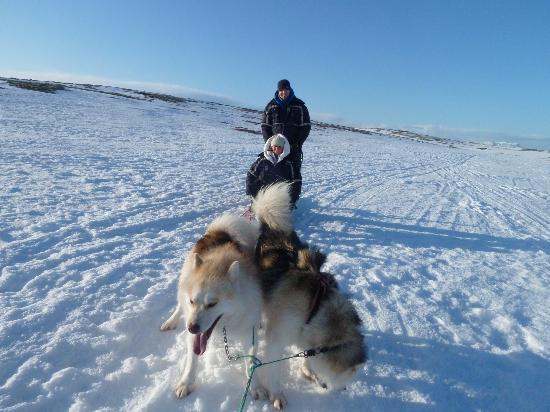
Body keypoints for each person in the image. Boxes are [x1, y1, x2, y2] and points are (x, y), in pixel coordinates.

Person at [261, 79, 311, 173]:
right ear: (278, 91)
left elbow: (305, 127)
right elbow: (265, 126)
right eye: (281, 90)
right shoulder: (271, 106)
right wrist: (269, 143)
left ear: (290, 89)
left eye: (286, 90)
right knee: (273, 175)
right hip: (275, 149)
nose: (284, 92)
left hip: (293, 149)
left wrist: (297, 144)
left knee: (293, 176)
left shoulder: (300, 106)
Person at [246, 134, 301, 206]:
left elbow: (296, 181)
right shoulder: (262, 160)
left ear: (284, 148)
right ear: (271, 147)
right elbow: (251, 175)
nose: (276, 149)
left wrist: (293, 199)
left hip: (280, 195)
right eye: (274, 146)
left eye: (279, 147)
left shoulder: (289, 163)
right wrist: (250, 193)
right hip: (262, 193)